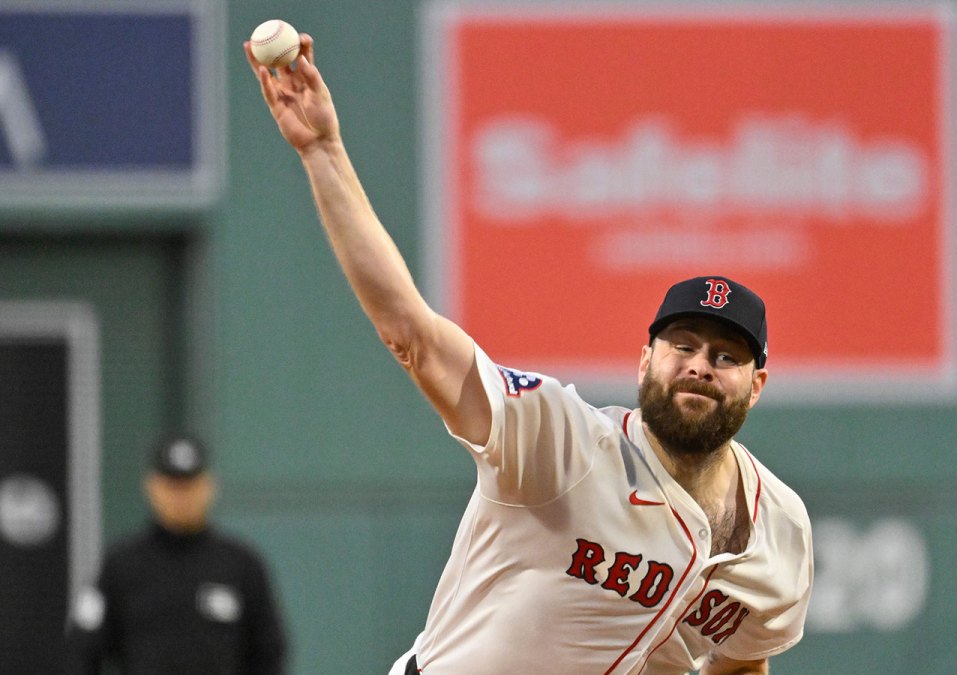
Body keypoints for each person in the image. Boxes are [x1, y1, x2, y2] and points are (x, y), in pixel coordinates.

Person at [245, 34, 812, 675]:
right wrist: (322, 150)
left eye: (726, 356)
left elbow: (742, 663)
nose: (700, 364)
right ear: (644, 360)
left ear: (757, 384)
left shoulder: (781, 530)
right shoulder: (563, 445)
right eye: (681, 345)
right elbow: (412, 335)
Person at [65, 436, 287, 675]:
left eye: (190, 485)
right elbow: (82, 648)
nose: (181, 497)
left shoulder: (241, 565)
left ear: (209, 487)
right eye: (172, 486)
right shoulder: (120, 565)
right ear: (152, 487)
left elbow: (269, 650)